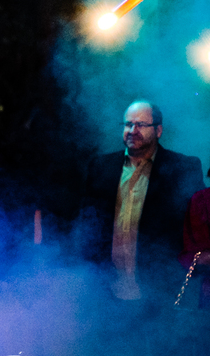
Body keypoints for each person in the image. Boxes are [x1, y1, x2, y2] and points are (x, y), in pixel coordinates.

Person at [79, 100, 204, 301]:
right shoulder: (101, 166)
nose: (132, 130)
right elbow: (87, 224)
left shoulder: (182, 168)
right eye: (128, 124)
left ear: (158, 130)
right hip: (105, 289)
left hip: (159, 291)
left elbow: (199, 227)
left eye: (141, 125)